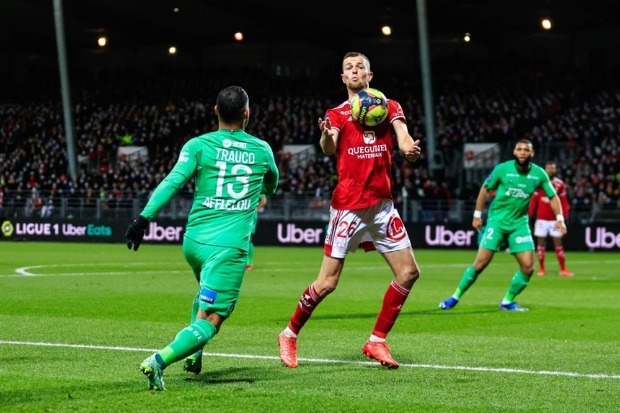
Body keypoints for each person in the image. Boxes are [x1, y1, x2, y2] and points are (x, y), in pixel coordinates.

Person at [125, 85, 279, 390]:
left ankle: (194, 355)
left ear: (216, 111)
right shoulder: (262, 149)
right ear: (246, 113)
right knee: (212, 318)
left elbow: (173, 181)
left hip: (194, 242)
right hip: (228, 247)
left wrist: (143, 219)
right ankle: (158, 360)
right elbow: (271, 185)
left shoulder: (197, 145)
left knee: (204, 294)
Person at [277, 51, 422, 370]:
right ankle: (289, 334)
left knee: (409, 272)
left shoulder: (389, 106)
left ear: (370, 75)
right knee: (327, 282)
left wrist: (409, 148)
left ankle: (376, 341)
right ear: (343, 78)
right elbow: (328, 147)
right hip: (349, 208)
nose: (355, 71)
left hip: (382, 206)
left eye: (360, 67)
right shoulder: (337, 114)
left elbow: (402, 136)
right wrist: (325, 135)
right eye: (349, 68)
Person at [439, 139, 567, 312]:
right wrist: (477, 215)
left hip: (519, 224)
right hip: (497, 222)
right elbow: (485, 188)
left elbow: (553, 196)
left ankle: (507, 301)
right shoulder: (502, 169)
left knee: (528, 268)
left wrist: (560, 218)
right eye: (519, 149)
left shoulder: (539, 174)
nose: (522, 152)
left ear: (532, 153)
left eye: (526, 150)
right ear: (514, 152)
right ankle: (454, 297)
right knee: (480, 264)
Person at [528, 160, 573, 276]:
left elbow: (563, 201)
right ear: (545, 169)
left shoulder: (560, 184)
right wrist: (530, 214)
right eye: (548, 168)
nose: (550, 170)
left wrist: (564, 217)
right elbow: (534, 199)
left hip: (554, 219)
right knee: (541, 243)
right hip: (541, 218)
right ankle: (542, 269)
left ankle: (563, 269)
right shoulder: (539, 183)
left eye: (552, 168)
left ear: (555, 169)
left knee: (558, 242)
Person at [246, 194, 267, 271]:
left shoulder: (254, 186)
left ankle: (249, 263)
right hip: (241, 215)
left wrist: (256, 209)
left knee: (249, 239)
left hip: (250, 215)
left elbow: (264, 200)